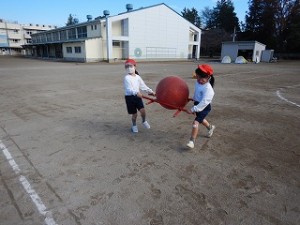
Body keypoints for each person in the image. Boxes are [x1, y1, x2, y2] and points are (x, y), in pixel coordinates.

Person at [186, 64, 216, 149]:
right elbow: (197, 93)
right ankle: (210, 127)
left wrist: (192, 109)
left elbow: (203, 103)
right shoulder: (198, 82)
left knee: (195, 123)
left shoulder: (209, 90)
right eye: (197, 77)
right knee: (201, 119)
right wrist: (193, 99)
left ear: (208, 77)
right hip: (197, 104)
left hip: (204, 107)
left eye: (201, 79)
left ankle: (192, 141)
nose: (199, 80)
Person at [123, 59, 156, 133]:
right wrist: (136, 92)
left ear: (135, 66)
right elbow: (128, 89)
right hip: (130, 98)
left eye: (130, 66)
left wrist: (151, 92)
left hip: (137, 96)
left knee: (143, 111)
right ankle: (134, 125)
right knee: (134, 115)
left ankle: (144, 121)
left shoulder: (137, 77)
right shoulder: (127, 78)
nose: (129, 68)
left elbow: (143, 86)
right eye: (127, 66)